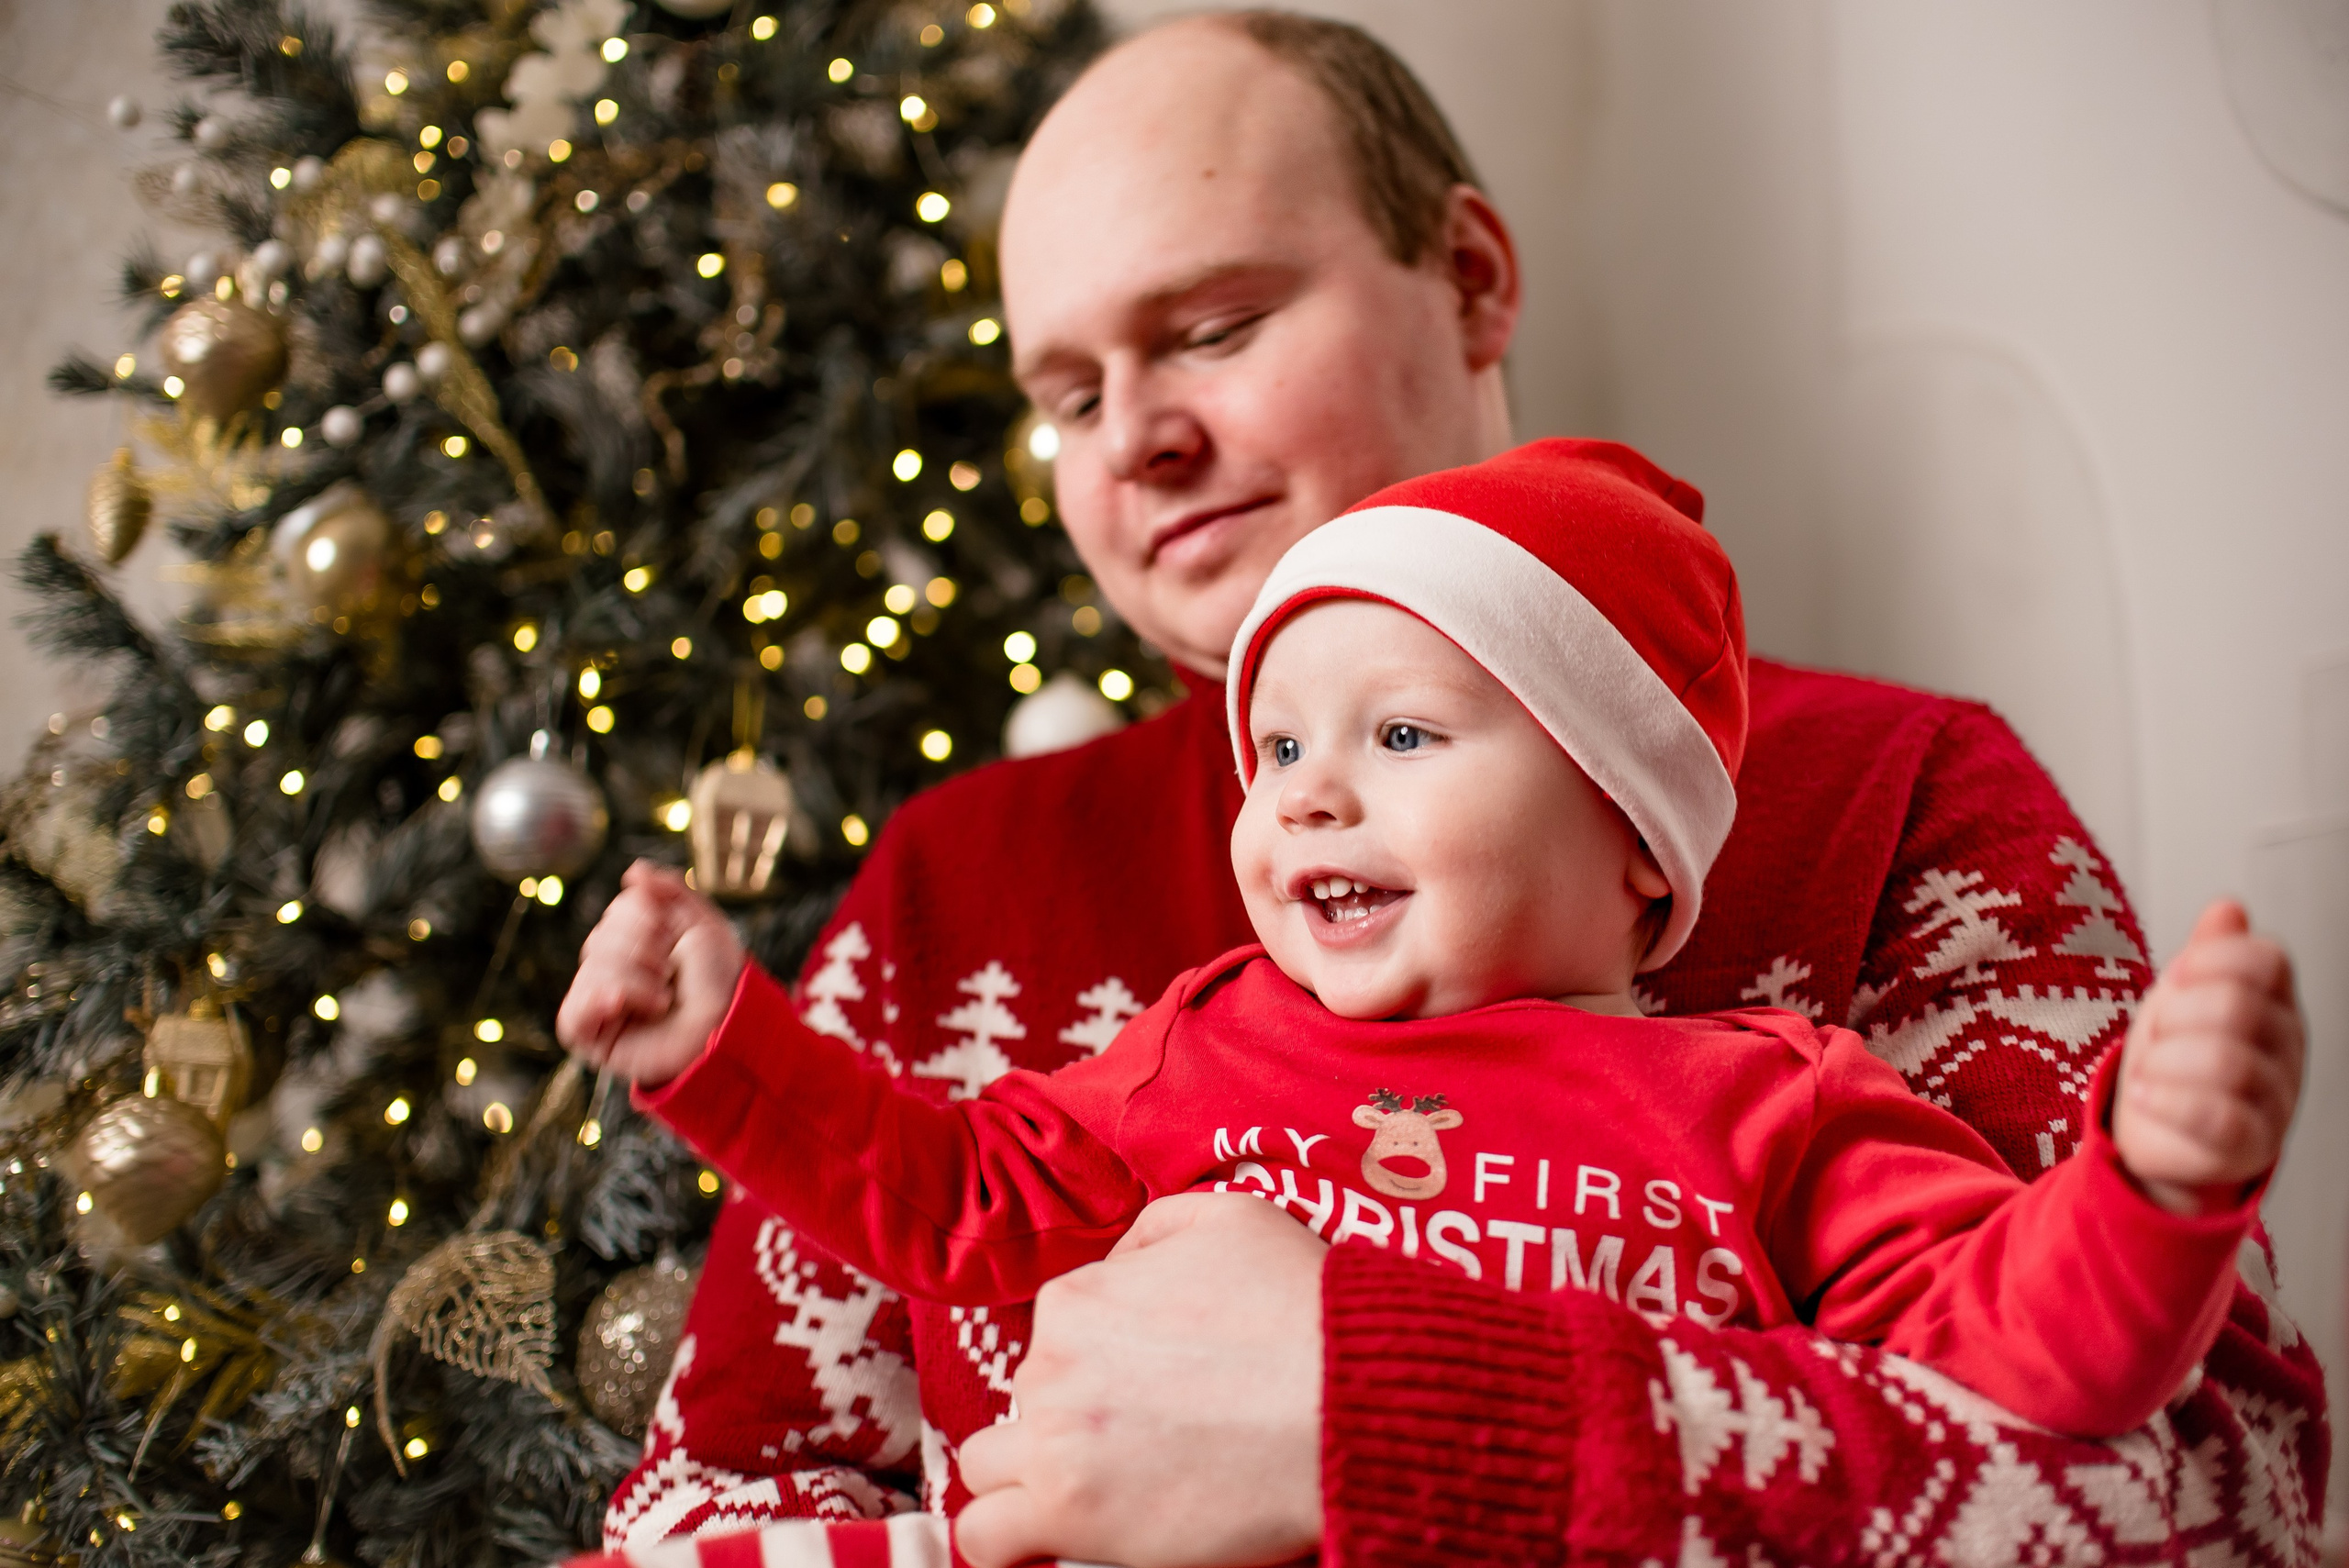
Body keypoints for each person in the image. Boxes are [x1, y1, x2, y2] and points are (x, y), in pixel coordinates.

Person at [592, 14, 2320, 1568]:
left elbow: (2217, 1498)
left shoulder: (1903, 803)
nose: (1131, 442)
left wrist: (1398, 1418)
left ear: (1476, 276)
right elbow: (721, 1503)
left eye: (1215, 325)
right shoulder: (955, 886)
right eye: (1068, 392)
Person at [565, 439, 2287, 1476]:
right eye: (1278, 751)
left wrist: (2150, 1180)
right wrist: (724, 1042)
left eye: (1398, 738)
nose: (1307, 796)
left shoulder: (1775, 1104)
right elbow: (945, 1198)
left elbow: (2015, 1357)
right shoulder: (1197, 1051)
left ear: (1631, 835)